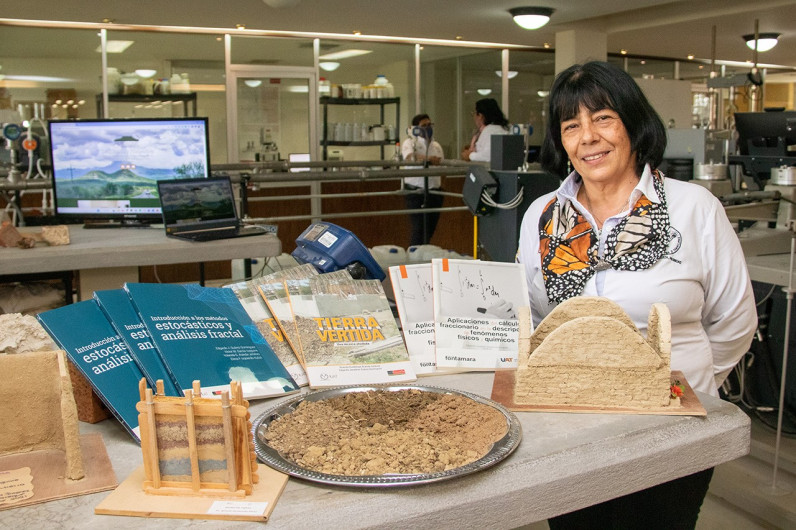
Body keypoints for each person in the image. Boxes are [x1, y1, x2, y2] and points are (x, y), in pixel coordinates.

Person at [516, 61, 757, 529]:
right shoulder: (542, 216)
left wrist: (687, 385)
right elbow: (539, 318)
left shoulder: (694, 209)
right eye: (571, 125)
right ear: (561, 141)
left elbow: (734, 322)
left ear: (633, 124)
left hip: (672, 430)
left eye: (603, 118)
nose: (588, 137)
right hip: (569, 426)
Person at [402, 113, 445, 246]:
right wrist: (428, 159)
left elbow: (443, 167)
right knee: (419, 228)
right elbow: (409, 157)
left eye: (429, 125)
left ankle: (423, 255)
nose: (427, 128)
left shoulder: (436, 146)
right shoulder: (410, 142)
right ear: (415, 128)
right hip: (416, 193)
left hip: (434, 192)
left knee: (430, 229)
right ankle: (414, 257)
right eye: (423, 126)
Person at [460, 97, 509, 162]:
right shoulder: (499, 129)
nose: (474, 117)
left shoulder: (490, 131)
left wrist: (470, 155)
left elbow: (488, 156)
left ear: (480, 116)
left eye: (474, 113)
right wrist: (473, 148)